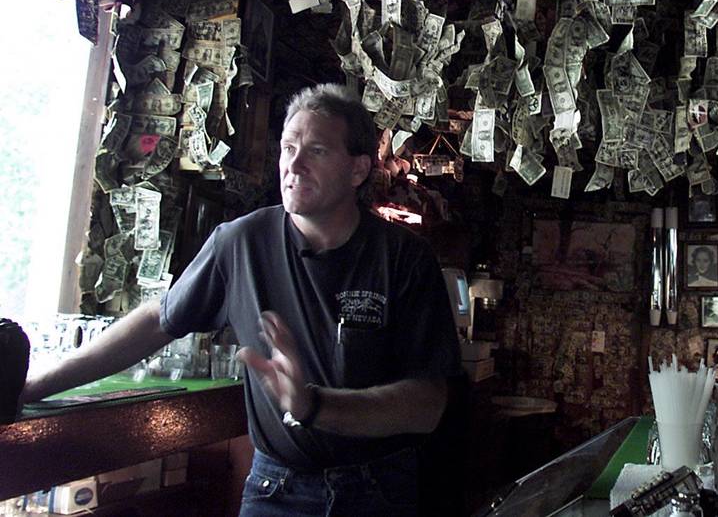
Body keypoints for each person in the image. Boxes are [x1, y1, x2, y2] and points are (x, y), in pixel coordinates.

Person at [21, 84, 461, 517]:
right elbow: (157, 322)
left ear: (358, 170)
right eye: (289, 148)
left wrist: (314, 406)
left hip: (378, 490)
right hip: (278, 490)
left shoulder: (405, 257)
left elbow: (426, 406)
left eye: (318, 152)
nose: (294, 165)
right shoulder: (241, 242)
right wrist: (36, 384)